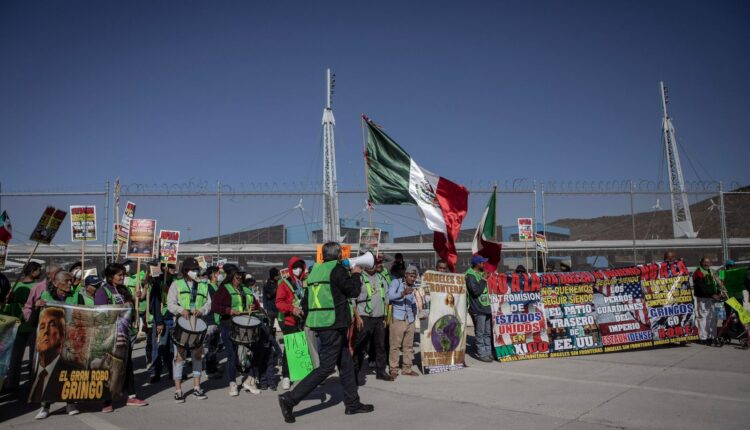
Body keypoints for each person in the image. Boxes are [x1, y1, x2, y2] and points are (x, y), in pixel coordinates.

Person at [278, 242, 373, 423]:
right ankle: (289, 399)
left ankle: (352, 404)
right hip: (333, 324)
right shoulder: (337, 270)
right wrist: (355, 275)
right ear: (338, 255)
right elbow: (353, 291)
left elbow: (306, 301)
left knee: (346, 365)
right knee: (326, 368)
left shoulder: (316, 271)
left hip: (322, 323)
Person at [94, 263, 149, 412]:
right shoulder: (102, 291)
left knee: (127, 365)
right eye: (119, 275)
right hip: (110, 335)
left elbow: (131, 307)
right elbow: (100, 312)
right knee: (109, 367)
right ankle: (106, 400)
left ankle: (131, 395)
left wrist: (135, 299)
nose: (122, 277)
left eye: (123, 274)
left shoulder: (123, 290)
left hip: (125, 334)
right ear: (111, 276)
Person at [211, 264, 260, 396]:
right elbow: (215, 306)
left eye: (242, 277)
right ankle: (232, 383)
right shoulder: (224, 289)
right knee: (232, 354)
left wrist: (253, 306)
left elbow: (256, 303)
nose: (240, 279)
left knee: (252, 352)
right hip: (228, 324)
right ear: (232, 277)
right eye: (238, 277)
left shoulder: (245, 289)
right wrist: (229, 310)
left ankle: (250, 379)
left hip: (245, 325)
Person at [166, 257, 211, 402]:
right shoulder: (176, 284)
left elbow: (209, 303)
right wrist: (180, 310)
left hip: (198, 324)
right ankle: (178, 390)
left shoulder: (203, 285)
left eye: (196, 269)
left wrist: (202, 310)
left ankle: (197, 387)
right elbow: (170, 304)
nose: (194, 272)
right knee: (179, 357)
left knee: (197, 356)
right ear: (185, 271)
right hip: (182, 324)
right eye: (192, 269)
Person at [29, 306, 81, 418]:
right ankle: (45, 407)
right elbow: (32, 322)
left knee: (68, 376)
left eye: (52, 325)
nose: (46, 332)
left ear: (62, 331)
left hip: (65, 358)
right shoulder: (37, 366)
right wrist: (36, 308)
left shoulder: (71, 361)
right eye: (42, 327)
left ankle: (70, 404)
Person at [2, 261, 43, 392]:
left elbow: (7, 307)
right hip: (31, 325)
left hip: (16, 326)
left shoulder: (14, 286)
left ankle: (11, 383)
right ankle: (32, 384)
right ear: (32, 271)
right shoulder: (38, 287)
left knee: (15, 356)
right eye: (38, 270)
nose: (40, 272)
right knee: (33, 357)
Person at [353, 257, 393, 384]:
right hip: (364, 318)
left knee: (380, 346)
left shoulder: (381, 278)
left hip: (379, 318)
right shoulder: (358, 278)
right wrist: (357, 317)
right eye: (371, 263)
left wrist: (386, 317)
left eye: (375, 263)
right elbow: (352, 300)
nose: (373, 265)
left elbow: (386, 298)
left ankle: (381, 371)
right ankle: (354, 375)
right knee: (359, 347)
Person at [276, 257, 306, 390]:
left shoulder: (304, 282)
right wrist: (292, 309)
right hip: (290, 321)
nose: (298, 269)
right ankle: (286, 376)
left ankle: (301, 373)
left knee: (302, 349)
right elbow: (279, 303)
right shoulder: (284, 283)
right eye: (295, 267)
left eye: (300, 266)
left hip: (304, 321)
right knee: (289, 350)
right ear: (290, 268)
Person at [387, 264, 419, 378]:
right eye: (411, 276)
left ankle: (407, 368)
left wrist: (414, 316)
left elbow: (414, 302)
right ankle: (393, 369)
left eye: (414, 277)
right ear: (405, 275)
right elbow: (389, 297)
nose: (413, 279)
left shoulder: (414, 286)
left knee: (409, 346)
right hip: (397, 318)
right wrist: (403, 293)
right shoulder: (396, 282)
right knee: (395, 346)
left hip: (410, 319)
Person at [150, 263, 176, 383]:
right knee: (158, 348)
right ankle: (155, 372)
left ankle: (172, 372)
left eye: (173, 267)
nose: (171, 270)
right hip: (162, 320)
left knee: (171, 349)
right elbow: (155, 304)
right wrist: (159, 321)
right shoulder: (158, 283)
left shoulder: (175, 283)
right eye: (169, 267)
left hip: (173, 320)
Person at [466, 255, 493, 362]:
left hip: (486, 307)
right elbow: (475, 291)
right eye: (482, 263)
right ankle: (482, 354)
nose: (484, 264)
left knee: (487, 333)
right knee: (480, 333)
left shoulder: (480, 273)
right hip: (478, 309)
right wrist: (483, 279)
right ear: (478, 264)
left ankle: (488, 352)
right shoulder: (470, 275)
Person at [692, 256, 722, 346]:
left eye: (708, 262)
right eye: (705, 262)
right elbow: (701, 287)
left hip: (713, 299)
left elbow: (718, 283)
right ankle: (703, 338)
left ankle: (712, 336)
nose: (706, 264)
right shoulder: (698, 272)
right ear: (701, 262)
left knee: (713, 318)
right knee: (703, 318)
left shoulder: (712, 272)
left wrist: (719, 293)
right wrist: (712, 294)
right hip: (703, 299)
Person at [203, 266, 222, 377]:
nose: (219, 275)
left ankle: (213, 368)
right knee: (210, 346)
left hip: (217, 319)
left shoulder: (217, 286)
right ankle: (210, 371)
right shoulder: (209, 287)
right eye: (218, 273)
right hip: (211, 320)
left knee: (214, 346)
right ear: (213, 274)